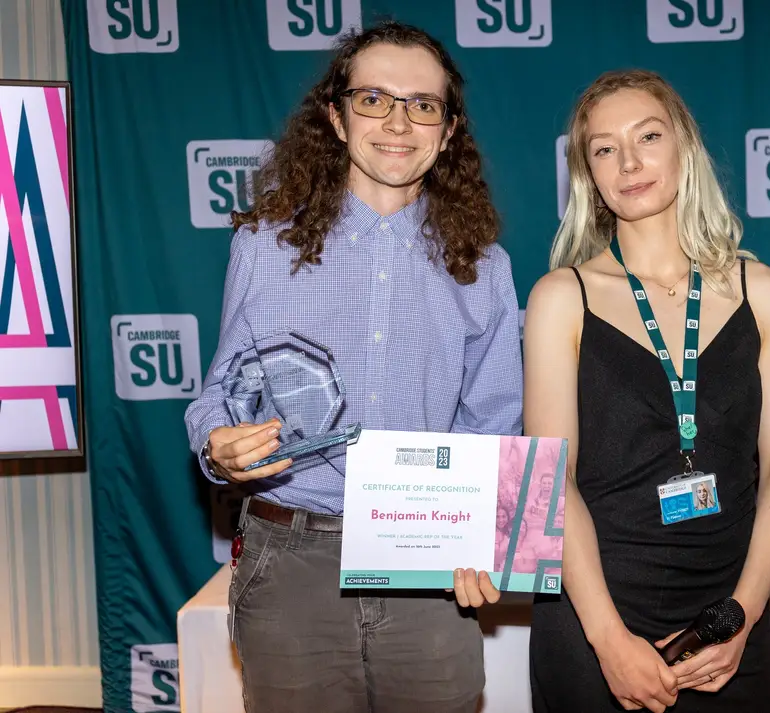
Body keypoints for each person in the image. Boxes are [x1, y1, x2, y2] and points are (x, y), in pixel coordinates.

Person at [183, 21, 522, 713]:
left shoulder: (484, 265)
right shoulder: (263, 246)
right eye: (374, 98)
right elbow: (220, 392)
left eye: (422, 104)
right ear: (336, 117)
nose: (399, 121)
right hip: (291, 562)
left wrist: (486, 538)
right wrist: (217, 441)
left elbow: (494, 422)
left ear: (448, 130)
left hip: (427, 562)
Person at [523, 69, 770, 713]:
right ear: (587, 173)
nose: (628, 161)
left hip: (729, 618)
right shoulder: (562, 299)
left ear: (684, 146)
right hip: (595, 618)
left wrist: (742, 616)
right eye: (603, 147)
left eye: (647, 136)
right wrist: (609, 640)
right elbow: (551, 479)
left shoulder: (763, 292)